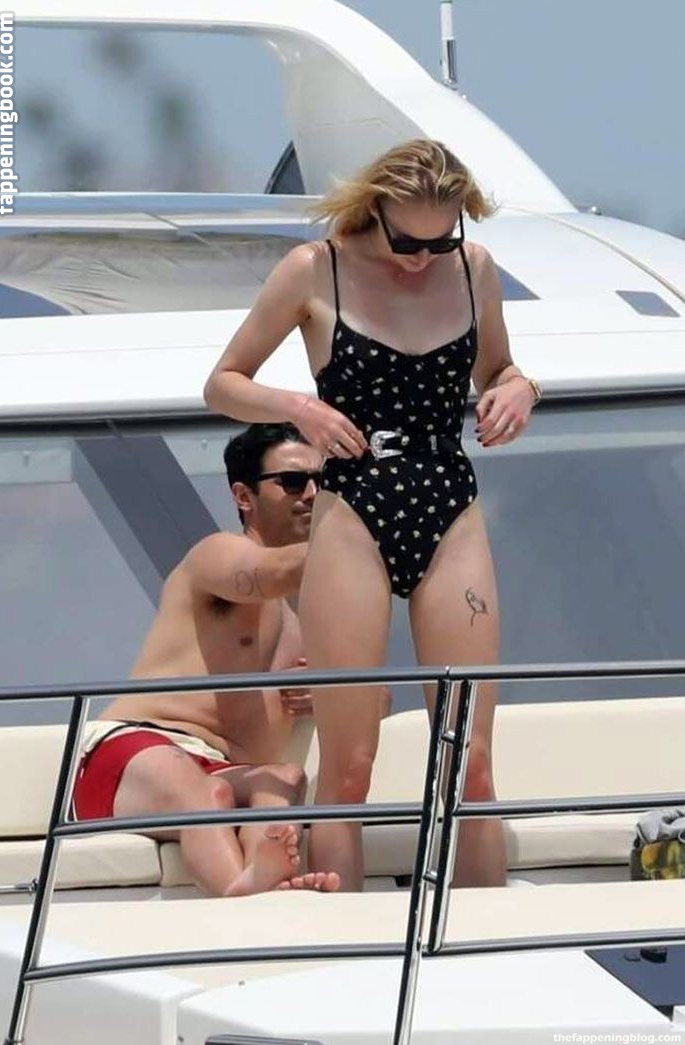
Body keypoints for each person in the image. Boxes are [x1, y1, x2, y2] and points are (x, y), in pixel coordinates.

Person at [203, 139, 541, 891]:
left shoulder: (474, 268)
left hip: (448, 503)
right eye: (406, 241)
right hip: (353, 507)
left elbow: (498, 369)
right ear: (374, 210)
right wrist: (301, 409)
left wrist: (522, 387)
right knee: (349, 765)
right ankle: (340, 937)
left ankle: (487, 939)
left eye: (439, 241)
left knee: (471, 762)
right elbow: (223, 383)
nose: (422, 259)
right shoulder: (314, 268)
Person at [72, 423, 340, 897]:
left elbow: (377, 698)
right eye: (293, 482)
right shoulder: (217, 555)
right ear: (244, 496)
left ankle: (262, 882)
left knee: (284, 778)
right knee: (208, 795)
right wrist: (359, 536)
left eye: (323, 481)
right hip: (137, 748)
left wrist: (329, 693)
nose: (312, 494)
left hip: (221, 768)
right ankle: (242, 896)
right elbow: (270, 573)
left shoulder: (316, 611)